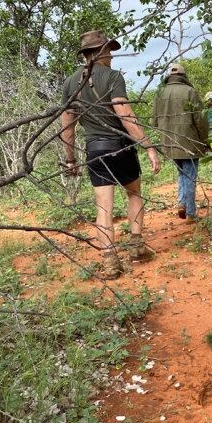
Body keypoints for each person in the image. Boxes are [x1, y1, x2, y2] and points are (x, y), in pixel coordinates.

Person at [61, 29, 161, 279]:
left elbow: (67, 126)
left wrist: (71, 159)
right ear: (96, 52)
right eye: (108, 50)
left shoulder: (71, 82)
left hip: (94, 150)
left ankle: (109, 262)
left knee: (103, 208)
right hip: (120, 146)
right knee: (134, 193)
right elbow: (124, 113)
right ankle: (136, 247)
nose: (112, 56)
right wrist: (148, 147)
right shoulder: (113, 77)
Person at [152, 64, 208, 223]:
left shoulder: (159, 93)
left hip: (169, 142)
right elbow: (200, 120)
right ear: (184, 76)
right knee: (190, 175)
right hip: (189, 141)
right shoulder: (190, 91)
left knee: (182, 174)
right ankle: (190, 213)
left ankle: (182, 202)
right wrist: (206, 140)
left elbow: (154, 122)